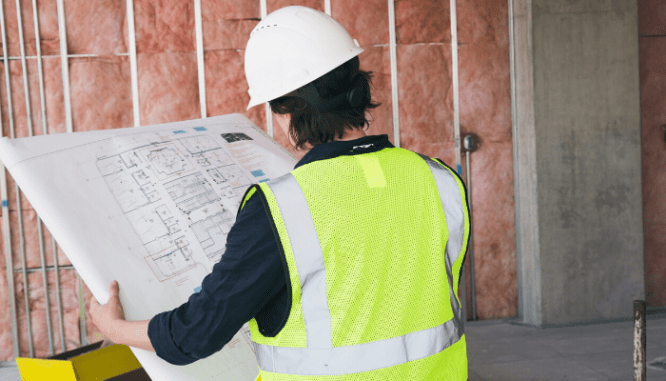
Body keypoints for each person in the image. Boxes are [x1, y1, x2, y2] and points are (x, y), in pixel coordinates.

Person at [91, 5, 470, 380]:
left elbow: (197, 334)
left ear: (285, 110)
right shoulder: (440, 180)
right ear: (357, 86)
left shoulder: (282, 209)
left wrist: (114, 329)